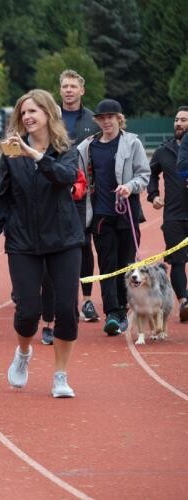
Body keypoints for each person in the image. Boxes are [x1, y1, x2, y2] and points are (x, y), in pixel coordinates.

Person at [0, 89, 83, 398]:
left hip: (64, 239)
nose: (27, 117)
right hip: (23, 241)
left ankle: (60, 376)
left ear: (48, 114)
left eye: (33, 111)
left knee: (66, 310)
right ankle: (23, 353)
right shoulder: (10, 153)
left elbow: (66, 177)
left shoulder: (66, 148)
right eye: (23, 112)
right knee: (28, 311)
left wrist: (36, 156)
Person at [78, 98, 149, 336]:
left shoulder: (132, 143)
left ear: (119, 119)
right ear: (97, 121)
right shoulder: (87, 147)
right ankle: (112, 313)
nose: (106, 122)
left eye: (110, 117)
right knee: (107, 264)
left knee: (126, 264)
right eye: (102, 118)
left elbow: (144, 175)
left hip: (127, 213)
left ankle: (123, 307)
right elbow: (80, 176)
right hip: (101, 214)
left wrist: (129, 186)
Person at [59, 69, 101, 323]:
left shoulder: (93, 121)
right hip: (55, 190)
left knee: (84, 245)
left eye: (73, 86)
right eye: (65, 86)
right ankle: (60, 299)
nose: (69, 90)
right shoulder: (50, 117)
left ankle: (86, 300)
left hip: (84, 193)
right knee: (55, 245)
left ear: (82, 90)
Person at [148, 106, 188, 322]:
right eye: (176, 120)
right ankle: (184, 303)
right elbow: (151, 174)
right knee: (178, 261)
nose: (178, 123)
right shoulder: (164, 150)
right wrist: (154, 195)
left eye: (183, 120)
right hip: (173, 216)